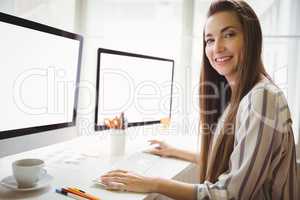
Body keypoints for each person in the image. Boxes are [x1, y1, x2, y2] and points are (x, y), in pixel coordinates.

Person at [100, 0, 299, 199]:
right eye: (210, 40)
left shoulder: (262, 98)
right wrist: (174, 151)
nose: (217, 47)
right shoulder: (239, 97)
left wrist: (154, 183)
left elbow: (231, 194)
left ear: (251, 39)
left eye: (229, 34)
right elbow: (236, 162)